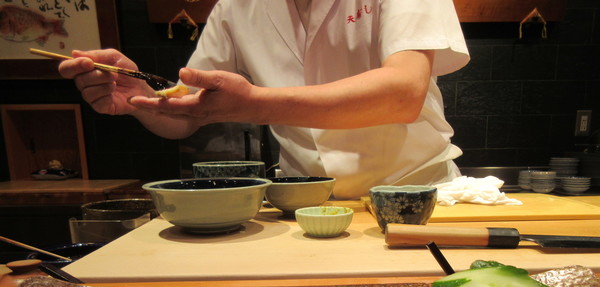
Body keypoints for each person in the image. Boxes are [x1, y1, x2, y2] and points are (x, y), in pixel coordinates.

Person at [59, 0, 469, 199]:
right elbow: (187, 115)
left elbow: (402, 94)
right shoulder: (237, 7)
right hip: (304, 203)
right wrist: (143, 98)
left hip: (417, 196)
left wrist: (255, 104)